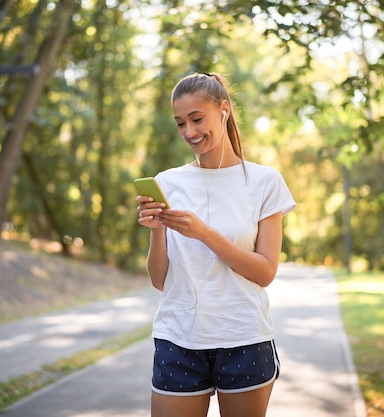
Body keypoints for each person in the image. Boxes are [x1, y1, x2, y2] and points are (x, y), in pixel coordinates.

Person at [136, 72, 296, 417]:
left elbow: (265, 271)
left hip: (244, 337)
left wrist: (204, 233)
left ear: (223, 110)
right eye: (180, 123)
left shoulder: (264, 182)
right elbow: (160, 281)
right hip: (178, 337)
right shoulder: (168, 182)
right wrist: (157, 229)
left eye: (197, 119)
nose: (189, 132)